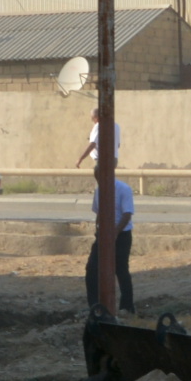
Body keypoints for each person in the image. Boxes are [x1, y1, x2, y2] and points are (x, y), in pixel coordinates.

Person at [80, 111, 136, 314]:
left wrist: (114, 232)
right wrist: (99, 232)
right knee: (92, 270)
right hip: (104, 234)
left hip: (121, 235)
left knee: (121, 270)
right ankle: (95, 306)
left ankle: (127, 307)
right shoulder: (99, 190)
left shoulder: (122, 189)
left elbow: (127, 214)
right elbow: (98, 213)